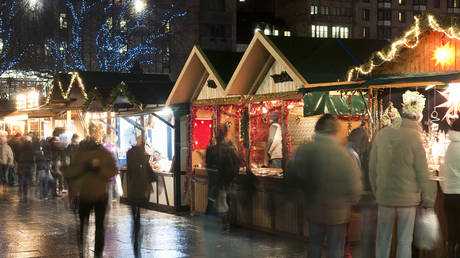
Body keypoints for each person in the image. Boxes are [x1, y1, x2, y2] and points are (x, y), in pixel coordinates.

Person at [290, 114, 362, 258]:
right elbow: (354, 187)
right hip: (338, 213)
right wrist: (354, 201)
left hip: (314, 209)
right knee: (335, 249)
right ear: (335, 132)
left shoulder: (304, 151)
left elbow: (295, 176)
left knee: (314, 245)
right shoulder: (344, 155)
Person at [369, 112, 436, 258]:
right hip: (408, 198)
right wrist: (427, 197)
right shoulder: (414, 138)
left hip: (385, 197)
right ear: (415, 123)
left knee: (382, 239)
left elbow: (372, 168)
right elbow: (422, 171)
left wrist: (377, 191)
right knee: (405, 240)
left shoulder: (382, 135)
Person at [64, 124, 117, 258]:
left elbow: (113, 171)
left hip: (97, 194)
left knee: (95, 226)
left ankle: (96, 253)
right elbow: (70, 172)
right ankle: (84, 251)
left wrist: (98, 170)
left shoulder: (103, 153)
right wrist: (85, 168)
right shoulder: (80, 154)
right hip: (86, 195)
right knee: (84, 225)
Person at [345, 127, 375, 258]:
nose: (367, 143)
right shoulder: (352, 153)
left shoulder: (350, 151)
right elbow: (357, 176)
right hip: (359, 196)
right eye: (366, 140)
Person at [205, 124, 240, 231]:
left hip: (218, 181)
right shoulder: (230, 149)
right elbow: (235, 164)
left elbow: (208, 165)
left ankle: (220, 223)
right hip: (225, 181)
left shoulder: (212, 149)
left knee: (219, 201)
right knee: (223, 201)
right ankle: (224, 223)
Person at [126, 135, 155, 257]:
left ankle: (136, 226)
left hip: (133, 188)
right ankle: (137, 228)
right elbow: (148, 171)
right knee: (139, 211)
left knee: (135, 212)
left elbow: (130, 172)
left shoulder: (130, 154)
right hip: (141, 188)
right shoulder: (142, 155)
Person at [440, 119, 460, 258]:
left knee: (451, 233)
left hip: (448, 195)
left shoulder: (450, 147)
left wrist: (445, 187)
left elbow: (442, 171)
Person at [17, 136, 36, 202]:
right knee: (30, 179)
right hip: (30, 164)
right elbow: (34, 154)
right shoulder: (32, 146)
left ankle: (24, 194)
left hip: (22, 164)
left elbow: (17, 154)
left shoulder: (20, 146)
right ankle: (30, 195)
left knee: (24, 179)